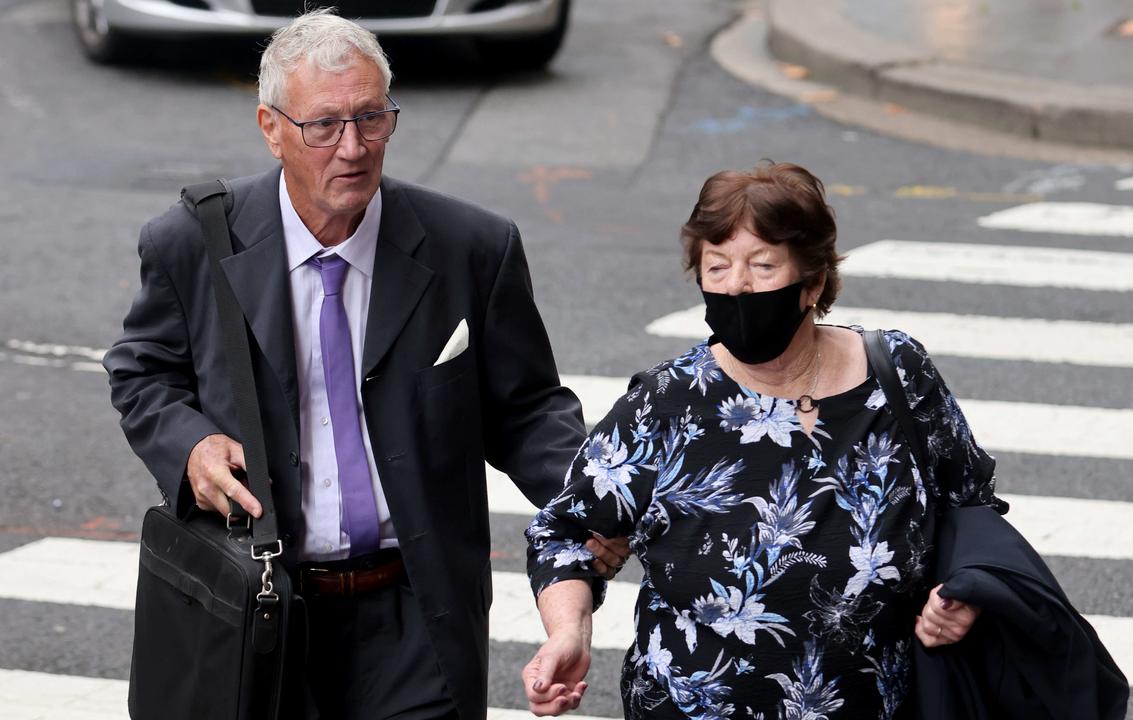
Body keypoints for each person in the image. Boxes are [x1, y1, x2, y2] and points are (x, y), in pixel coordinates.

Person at [103, 10, 625, 720]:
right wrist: (189, 444)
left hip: (416, 615)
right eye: (325, 125)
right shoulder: (193, 243)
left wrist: (601, 503)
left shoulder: (470, 246)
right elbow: (142, 371)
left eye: (371, 118)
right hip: (262, 603)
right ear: (272, 127)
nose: (352, 147)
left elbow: (528, 409)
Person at [521, 162, 1002, 718]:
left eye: (763, 265)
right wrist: (569, 633)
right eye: (717, 266)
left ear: (814, 282)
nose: (738, 285)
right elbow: (564, 534)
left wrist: (963, 592)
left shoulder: (897, 373)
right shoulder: (668, 401)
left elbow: (971, 503)